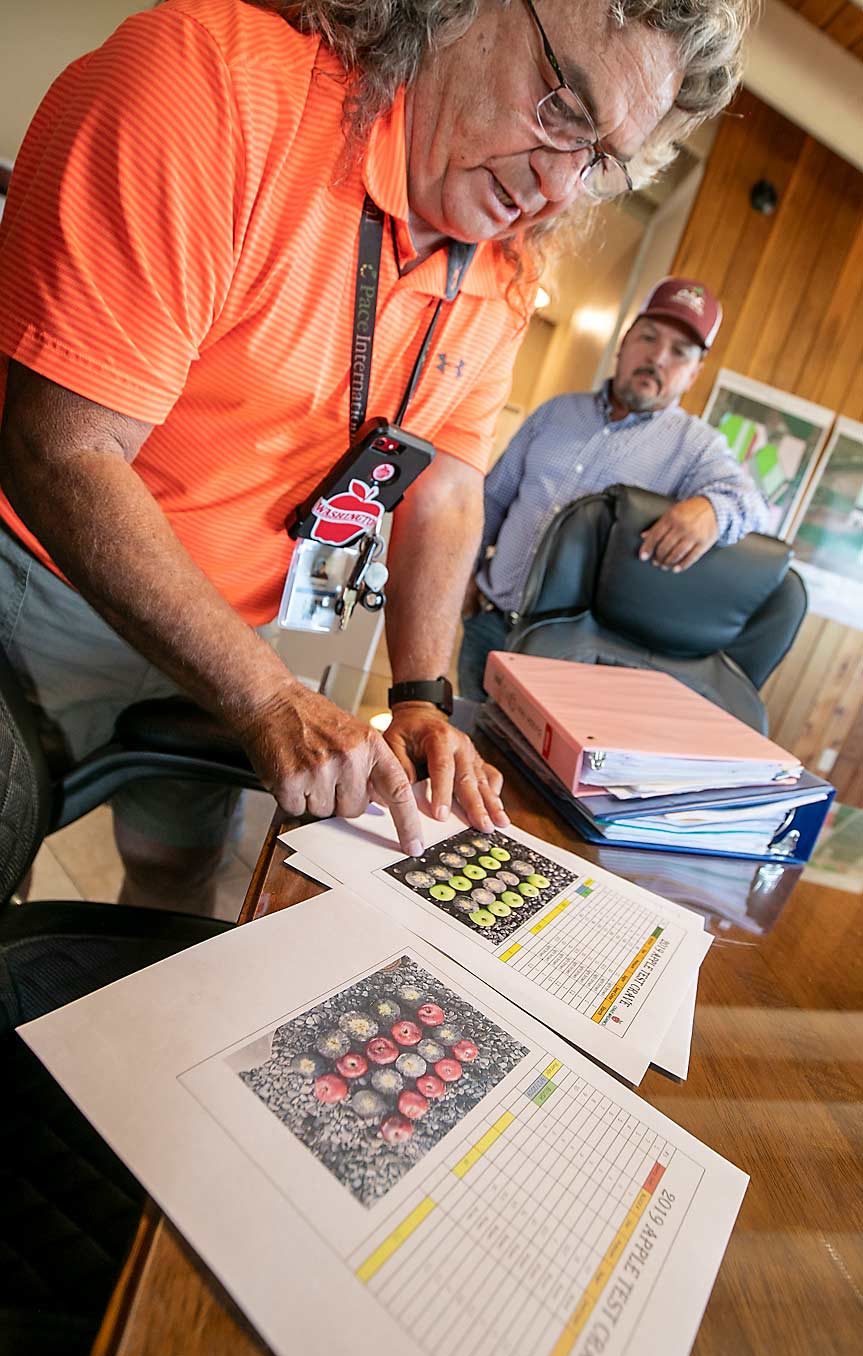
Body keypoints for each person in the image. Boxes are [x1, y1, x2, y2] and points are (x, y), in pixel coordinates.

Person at [0, 0, 752, 912]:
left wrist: (423, 695)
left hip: (234, 630)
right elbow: (62, 450)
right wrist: (270, 701)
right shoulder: (212, 85)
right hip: (42, 586)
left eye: (598, 160)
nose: (557, 186)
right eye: (562, 107)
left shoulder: (507, 269)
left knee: (178, 874)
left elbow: (446, 488)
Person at [459, 276, 770, 699]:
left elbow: (753, 504)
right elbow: (489, 501)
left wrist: (713, 510)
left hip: (572, 660)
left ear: (694, 374)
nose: (657, 357)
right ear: (624, 343)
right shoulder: (556, 412)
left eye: (679, 352)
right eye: (648, 337)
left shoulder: (696, 448)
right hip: (487, 626)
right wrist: (464, 577)